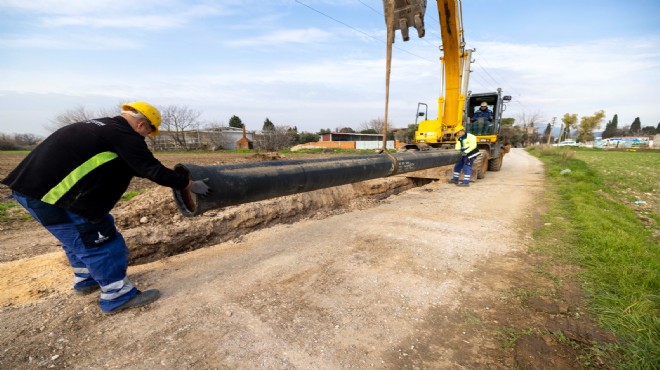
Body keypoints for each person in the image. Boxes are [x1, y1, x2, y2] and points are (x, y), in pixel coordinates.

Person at [1, 102, 211, 314]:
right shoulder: (125, 135)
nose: (145, 137)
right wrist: (189, 184)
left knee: (77, 240)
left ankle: (86, 280)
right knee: (102, 242)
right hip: (57, 198)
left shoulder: (99, 127)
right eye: (148, 132)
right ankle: (117, 296)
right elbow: (151, 169)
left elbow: (131, 165)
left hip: (29, 193)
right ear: (140, 125)